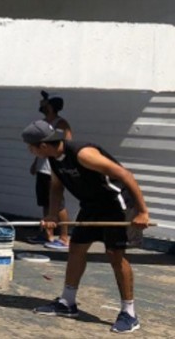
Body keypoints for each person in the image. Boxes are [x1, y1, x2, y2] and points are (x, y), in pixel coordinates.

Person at [21, 120, 150, 334]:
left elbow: (125, 175)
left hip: (115, 204)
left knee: (115, 255)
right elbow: (56, 188)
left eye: (30, 146)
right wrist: (53, 214)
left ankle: (130, 313)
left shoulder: (83, 154)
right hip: (91, 205)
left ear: (42, 145)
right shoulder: (54, 159)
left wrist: (143, 211)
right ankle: (67, 302)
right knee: (77, 249)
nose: (29, 150)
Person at [29, 91, 72, 250]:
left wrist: (63, 166)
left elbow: (66, 145)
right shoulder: (42, 123)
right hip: (42, 168)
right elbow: (39, 146)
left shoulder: (61, 124)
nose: (41, 105)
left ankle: (64, 237)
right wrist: (35, 163)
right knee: (45, 203)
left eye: (44, 103)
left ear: (51, 107)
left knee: (58, 204)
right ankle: (49, 235)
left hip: (53, 170)